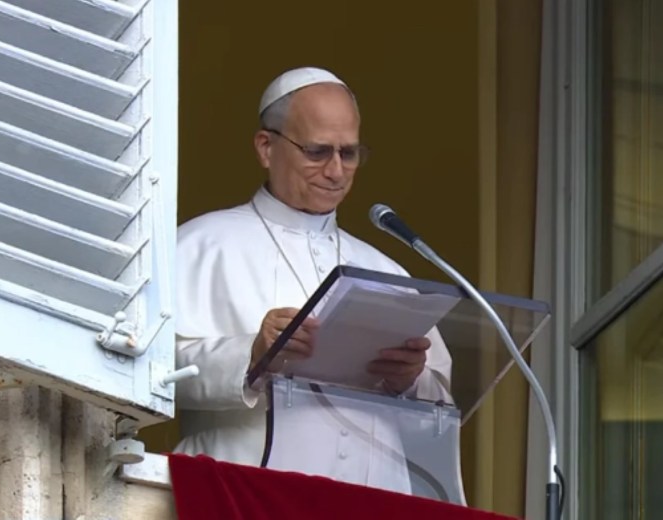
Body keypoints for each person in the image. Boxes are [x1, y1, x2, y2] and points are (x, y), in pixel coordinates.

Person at [173, 67, 454, 493]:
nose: (336, 171)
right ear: (266, 147)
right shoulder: (200, 245)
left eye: (349, 153)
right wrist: (252, 355)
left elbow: (439, 413)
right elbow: (150, 373)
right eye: (318, 151)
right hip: (244, 494)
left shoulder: (387, 271)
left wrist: (410, 380)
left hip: (373, 499)